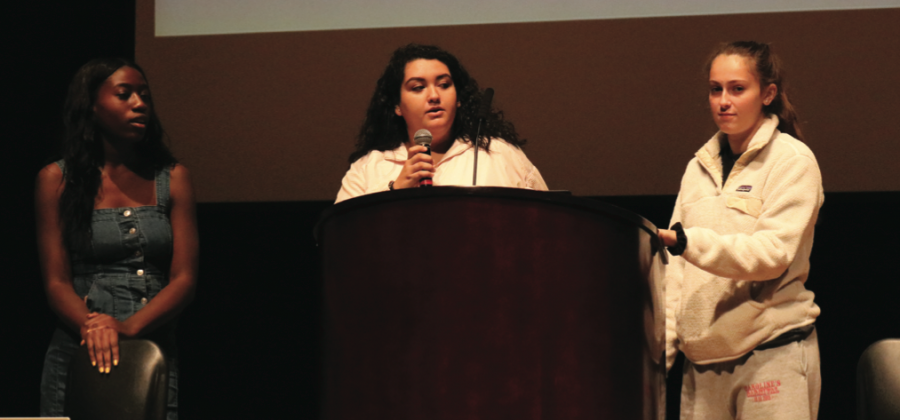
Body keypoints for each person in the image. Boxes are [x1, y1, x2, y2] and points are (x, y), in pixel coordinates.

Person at [659, 41, 823, 419]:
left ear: (767, 94)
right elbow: (676, 276)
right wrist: (661, 356)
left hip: (771, 354)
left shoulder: (792, 161)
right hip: (701, 365)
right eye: (716, 89)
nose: (723, 101)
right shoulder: (697, 168)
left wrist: (689, 242)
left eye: (737, 88)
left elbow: (772, 255)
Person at [35, 58, 197, 419]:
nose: (139, 104)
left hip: (150, 348)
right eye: (124, 95)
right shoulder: (56, 179)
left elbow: (184, 279)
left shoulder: (172, 177)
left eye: (144, 95)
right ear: (91, 106)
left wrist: (127, 327)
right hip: (79, 346)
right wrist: (93, 325)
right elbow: (57, 281)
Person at [335, 44, 547, 203]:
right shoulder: (368, 168)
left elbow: (547, 222)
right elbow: (342, 239)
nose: (434, 96)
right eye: (418, 87)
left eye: (444, 85)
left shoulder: (500, 154)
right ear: (397, 106)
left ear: (459, 97)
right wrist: (395, 190)